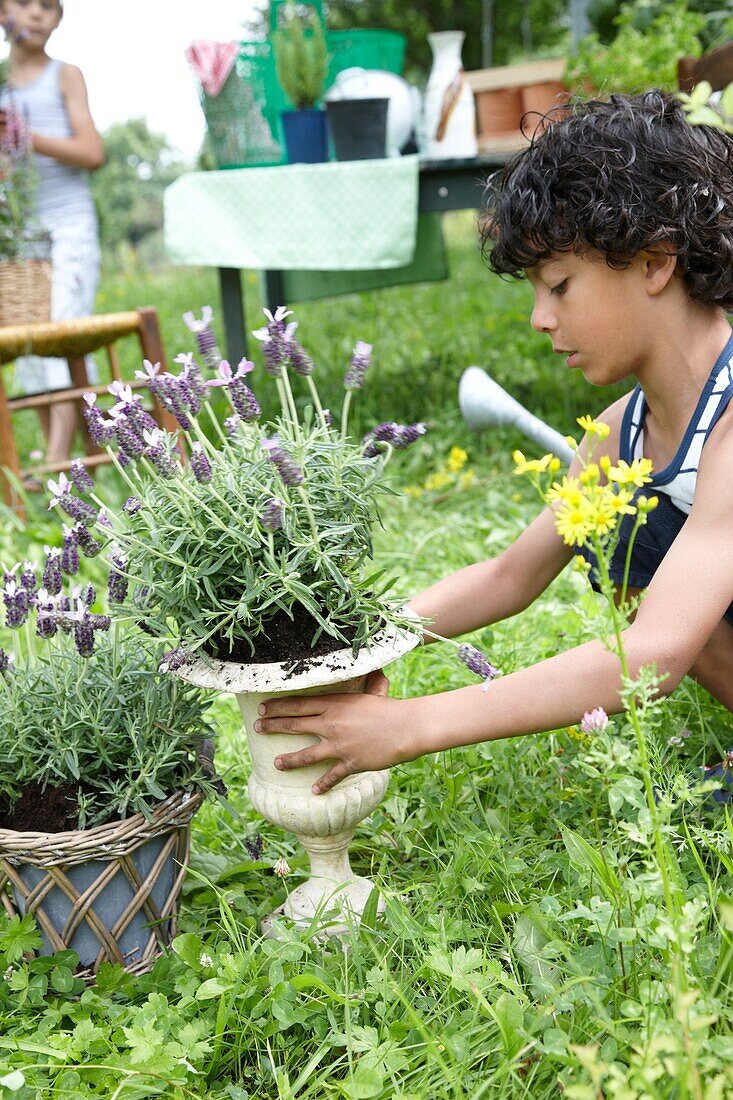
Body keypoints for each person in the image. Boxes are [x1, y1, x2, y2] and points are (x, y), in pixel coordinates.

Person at [253, 91, 733, 798]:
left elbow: (654, 654)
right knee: (631, 523)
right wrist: (356, 639)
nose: (541, 319)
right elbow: (510, 576)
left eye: (559, 286)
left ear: (654, 261)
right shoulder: (617, 435)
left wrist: (412, 725)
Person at [0, 0, 104, 470]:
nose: (36, 14)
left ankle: (56, 464)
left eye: (48, 6)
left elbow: (91, 151)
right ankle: (67, 453)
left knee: (60, 328)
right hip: (20, 233)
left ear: (59, 19)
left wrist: (25, 135)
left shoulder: (65, 75)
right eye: (23, 3)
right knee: (27, 343)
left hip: (69, 227)